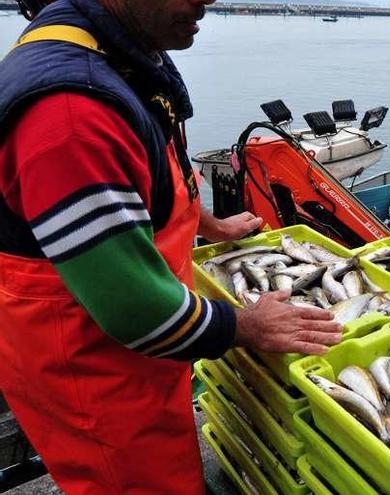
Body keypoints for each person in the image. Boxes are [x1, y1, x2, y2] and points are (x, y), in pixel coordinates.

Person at [0, 0, 343, 493]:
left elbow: (144, 181)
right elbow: (133, 309)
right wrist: (245, 325)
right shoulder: (71, 113)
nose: (207, 0)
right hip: (96, 373)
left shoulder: (123, 48)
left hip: (145, 350)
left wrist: (210, 225)